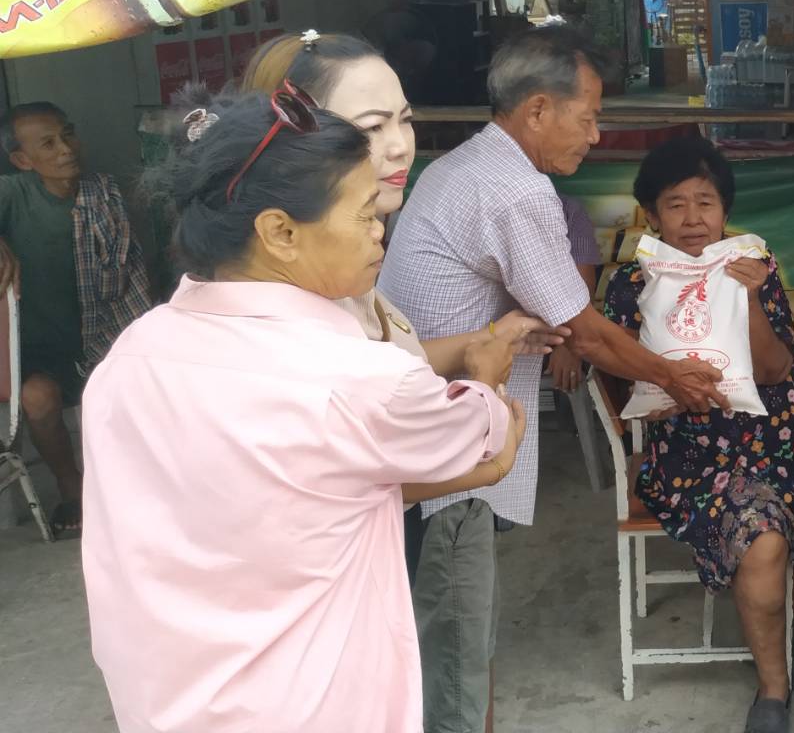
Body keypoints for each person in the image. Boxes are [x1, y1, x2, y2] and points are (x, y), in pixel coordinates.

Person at [80, 92, 524, 733]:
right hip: (310, 706)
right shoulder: (361, 379)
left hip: (162, 704)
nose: (380, 231)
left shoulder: (131, 356)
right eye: (365, 214)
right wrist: (486, 376)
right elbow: (486, 441)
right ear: (280, 233)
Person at [377, 24, 726, 733]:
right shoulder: (516, 191)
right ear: (538, 109)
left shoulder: (460, 165)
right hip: (447, 457)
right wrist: (673, 377)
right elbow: (586, 331)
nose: (596, 136)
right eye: (589, 117)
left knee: (442, 638)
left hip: (413, 433)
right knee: (455, 652)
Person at [233, 30, 563, 594]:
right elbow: (358, 464)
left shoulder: (350, 249)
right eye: (370, 128)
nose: (400, 146)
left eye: (404, 120)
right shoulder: (301, 283)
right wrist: (486, 408)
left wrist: (482, 338)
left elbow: (380, 362)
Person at [602, 135, 794, 733]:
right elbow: (617, 371)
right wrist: (652, 392)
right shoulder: (632, 283)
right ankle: (772, 689)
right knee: (764, 543)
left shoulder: (754, 268)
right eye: (675, 203)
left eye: (705, 202)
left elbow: (774, 372)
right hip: (698, 455)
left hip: (791, 440)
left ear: (725, 210)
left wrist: (752, 297)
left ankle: (770, 628)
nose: (692, 218)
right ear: (652, 214)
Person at [0, 102, 153, 537]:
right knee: (37, 399)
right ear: (22, 160)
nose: (65, 149)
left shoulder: (102, 193)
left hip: (101, 335)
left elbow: (132, 272)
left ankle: (136, 488)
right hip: (39, 351)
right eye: (48, 144)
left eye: (67, 134)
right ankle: (71, 486)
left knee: (138, 389)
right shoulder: (14, 194)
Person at [547, 194, 604, 393]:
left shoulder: (568, 209)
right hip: (494, 335)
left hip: (559, 334)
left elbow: (582, 288)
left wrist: (569, 346)